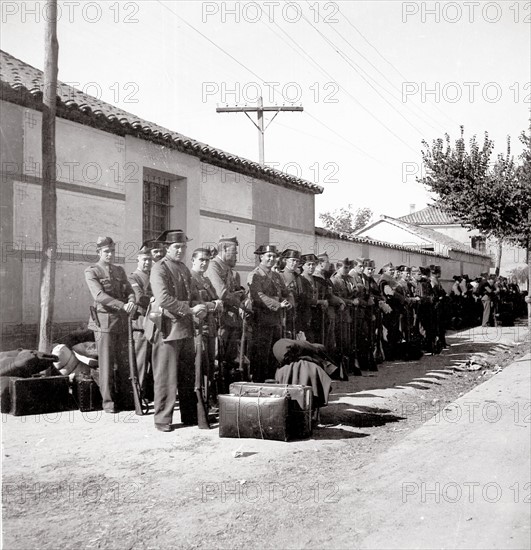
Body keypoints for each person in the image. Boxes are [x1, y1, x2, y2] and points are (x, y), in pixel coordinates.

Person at [149, 230, 207, 432]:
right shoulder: (160, 268)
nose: (181, 250)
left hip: (186, 329)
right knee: (166, 377)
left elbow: (193, 294)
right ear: (167, 248)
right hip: (168, 329)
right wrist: (191, 310)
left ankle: (190, 415)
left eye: (183, 247)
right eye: (177, 247)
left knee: (187, 376)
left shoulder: (183, 268)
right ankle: (162, 420)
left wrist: (200, 306)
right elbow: (163, 299)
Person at [85, 236, 136, 413]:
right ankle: (108, 402)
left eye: (112, 251)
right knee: (106, 363)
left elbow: (130, 290)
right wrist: (123, 305)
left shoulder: (119, 271)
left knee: (123, 363)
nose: (110, 254)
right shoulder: (92, 271)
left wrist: (131, 300)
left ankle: (126, 399)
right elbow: (99, 296)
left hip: (121, 322)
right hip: (104, 323)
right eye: (106, 251)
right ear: (98, 252)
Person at [247, 244, 292, 382]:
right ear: (261, 257)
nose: (271, 259)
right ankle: (259, 383)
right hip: (261, 320)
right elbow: (258, 296)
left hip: (276, 321)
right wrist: (278, 304)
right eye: (269, 256)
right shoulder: (255, 275)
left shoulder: (277, 276)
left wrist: (289, 301)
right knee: (261, 355)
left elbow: (286, 292)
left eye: (274, 256)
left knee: (275, 353)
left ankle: (272, 382)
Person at [206, 236, 247, 384]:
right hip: (219, 321)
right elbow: (221, 293)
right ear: (223, 250)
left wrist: (239, 294)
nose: (236, 256)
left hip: (230, 321)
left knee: (229, 358)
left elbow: (236, 290)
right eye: (234, 252)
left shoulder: (228, 269)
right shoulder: (213, 266)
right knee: (218, 357)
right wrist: (239, 303)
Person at [190, 248, 223, 406]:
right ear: (193, 260)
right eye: (201, 260)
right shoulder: (190, 279)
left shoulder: (206, 280)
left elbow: (216, 298)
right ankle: (201, 401)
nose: (204, 263)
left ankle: (208, 398)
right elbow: (193, 304)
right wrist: (213, 305)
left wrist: (215, 303)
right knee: (201, 365)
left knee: (210, 365)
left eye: (207, 260)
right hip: (198, 328)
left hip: (210, 327)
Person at [128, 241, 155, 401]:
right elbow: (139, 297)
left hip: (154, 323)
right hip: (140, 324)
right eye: (144, 259)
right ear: (138, 260)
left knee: (152, 362)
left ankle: (149, 394)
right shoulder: (133, 277)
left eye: (149, 260)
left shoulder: (154, 276)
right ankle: (137, 395)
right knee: (140, 361)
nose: (147, 262)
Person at [299, 253, 326, 343]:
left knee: (318, 339)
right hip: (305, 314)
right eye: (308, 264)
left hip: (317, 314)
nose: (311, 267)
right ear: (302, 266)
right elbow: (303, 299)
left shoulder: (317, 280)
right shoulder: (300, 280)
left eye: (313, 264)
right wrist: (319, 302)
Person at [280, 249, 304, 338]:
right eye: (292, 260)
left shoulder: (298, 277)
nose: (295, 263)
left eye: (297, 261)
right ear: (285, 260)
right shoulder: (280, 275)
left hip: (296, 313)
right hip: (285, 312)